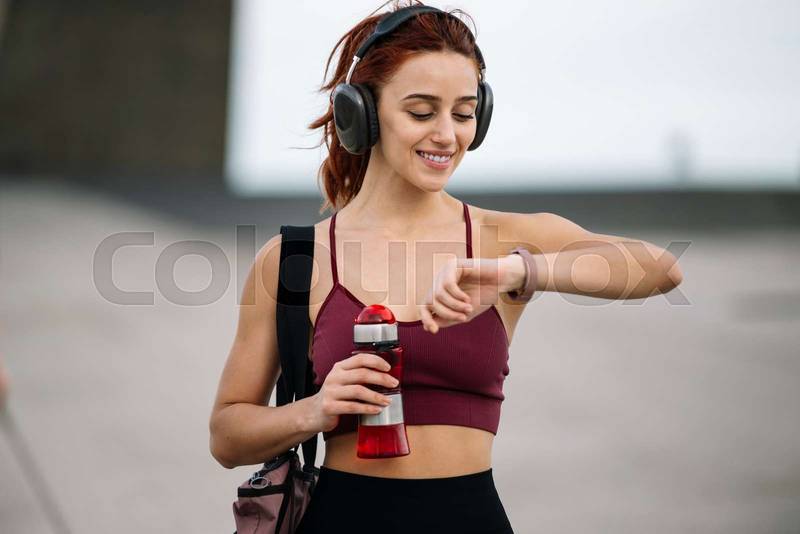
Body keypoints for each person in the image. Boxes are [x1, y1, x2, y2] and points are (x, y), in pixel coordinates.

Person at [209, 2, 684, 532]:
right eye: (420, 112)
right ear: (361, 113)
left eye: (462, 114)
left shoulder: (501, 240)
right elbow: (227, 435)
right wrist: (315, 411)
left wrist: (519, 273)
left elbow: (660, 269)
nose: (446, 135)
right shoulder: (293, 260)